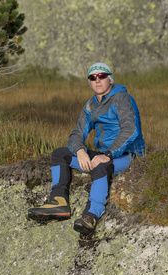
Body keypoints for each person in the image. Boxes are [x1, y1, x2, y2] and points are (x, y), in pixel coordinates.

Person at [28, 62, 145, 235]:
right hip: (106, 153)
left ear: (110, 79)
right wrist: (81, 151)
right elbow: (76, 134)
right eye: (93, 77)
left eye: (102, 76)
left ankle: (90, 216)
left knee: (100, 165)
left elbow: (131, 129)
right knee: (60, 154)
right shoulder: (91, 105)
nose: (97, 80)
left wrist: (108, 155)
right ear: (89, 82)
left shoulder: (122, 98)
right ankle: (59, 202)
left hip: (128, 155)